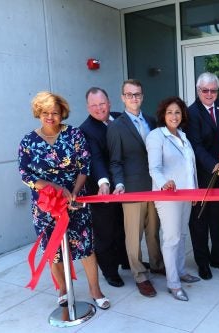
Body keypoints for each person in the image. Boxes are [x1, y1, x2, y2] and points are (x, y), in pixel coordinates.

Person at [18, 91, 110, 310]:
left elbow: (84, 166)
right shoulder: (28, 141)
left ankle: (95, 290)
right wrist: (56, 188)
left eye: (55, 113)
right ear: (38, 113)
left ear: (63, 114)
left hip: (75, 202)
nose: (50, 117)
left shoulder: (74, 135)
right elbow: (26, 174)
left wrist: (75, 191)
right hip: (46, 207)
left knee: (86, 247)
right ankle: (62, 289)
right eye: (46, 113)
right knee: (54, 249)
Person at [107, 79, 165, 298]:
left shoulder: (151, 120)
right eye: (129, 95)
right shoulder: (116, 126)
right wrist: (119, 184)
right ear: (123, 97)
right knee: (133, 236)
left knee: (153, 231)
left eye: (137, 94)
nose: (134, 98)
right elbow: (115, 161)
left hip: (153, 187)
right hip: (131, 188)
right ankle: (140, 275)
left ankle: (157, 264)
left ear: (142, 96)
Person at [146, 97, 202, 301]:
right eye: (170, 112)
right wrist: (164, 183)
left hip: (187, 193)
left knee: (182, 234)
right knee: (171, 238)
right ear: (163, 114)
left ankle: (180, 271)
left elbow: (190, 168)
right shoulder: (156, 136)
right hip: (168, 194)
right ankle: (173, 283)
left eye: (177, 112)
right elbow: (154, 168)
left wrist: (194, 190)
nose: (174, 116)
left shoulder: (183, 136)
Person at [186, 72, 219, 280]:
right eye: (205, 90)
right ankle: (203, 262)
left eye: (213, 90)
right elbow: (196, 146)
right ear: (198, 91)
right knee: (200, 221)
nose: (209, 94)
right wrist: (212, 165)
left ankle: (218, 257)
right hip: (201, 175)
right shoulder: (191, 112)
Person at [79, 87, 129, 288]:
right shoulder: (86, 129)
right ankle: (109, 271)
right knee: (106, 232)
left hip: (124, 186)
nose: (99, 109)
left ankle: (126, 260)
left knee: (124, 227)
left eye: (102, 104)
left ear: (109, 102)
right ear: (87, 107)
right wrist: (104, 182)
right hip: (102, 190)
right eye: (94, 105)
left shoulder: (120, 118)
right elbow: (96, 159)